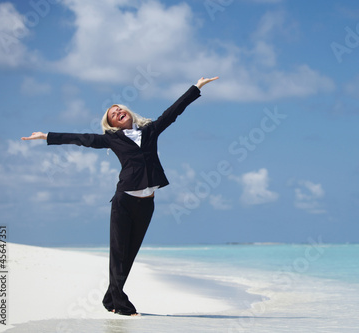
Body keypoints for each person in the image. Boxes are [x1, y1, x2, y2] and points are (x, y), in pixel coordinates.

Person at [22, 76, 219, 316]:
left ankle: (109, 299)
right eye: (113, 114)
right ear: (112, 124)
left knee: (130, 254)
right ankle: (122, 305)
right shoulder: (111, 139)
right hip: (124, 201)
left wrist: (196, 88)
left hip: (147, 204)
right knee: (118, 254)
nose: (117, 112)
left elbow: (173, 112)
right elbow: (82, 139)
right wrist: (46, 136)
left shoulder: (150, 130)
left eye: (119, 109)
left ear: (127, 112)